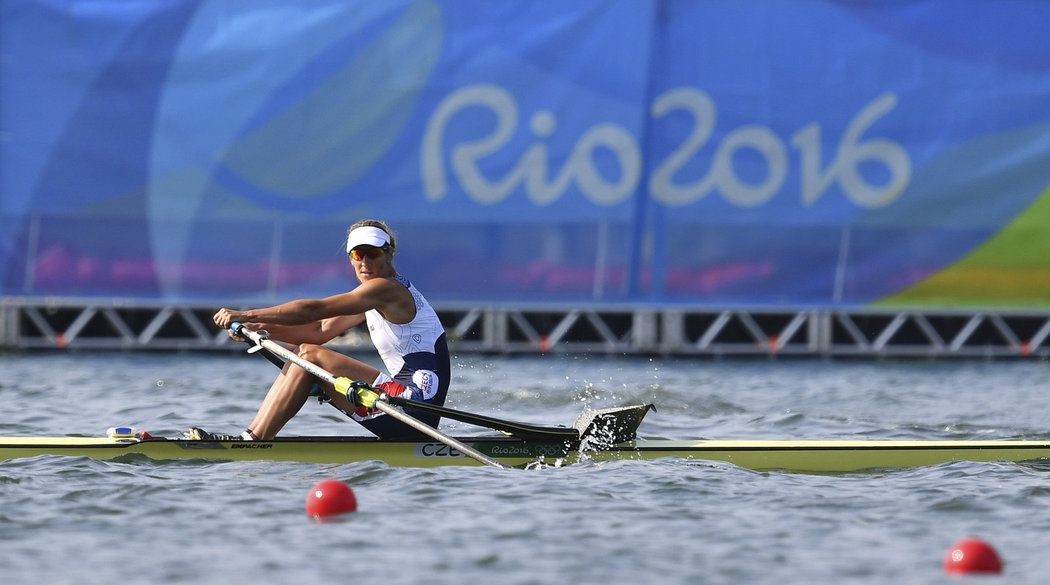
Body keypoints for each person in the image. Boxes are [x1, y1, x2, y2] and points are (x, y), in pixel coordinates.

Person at [191, 219, 450, 441]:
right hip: (400, 403)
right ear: (350, 258)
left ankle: (253, 440)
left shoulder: (386, 290)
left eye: (373, 254)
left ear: (390, 252)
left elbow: (313, 311)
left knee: (310, 356)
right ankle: (251, 436)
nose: (365, 263)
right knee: (305, 354)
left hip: (414, 408)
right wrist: (259, 327)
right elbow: (319, 329)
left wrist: (246, 313)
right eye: (358, 255)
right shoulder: (372, 297)